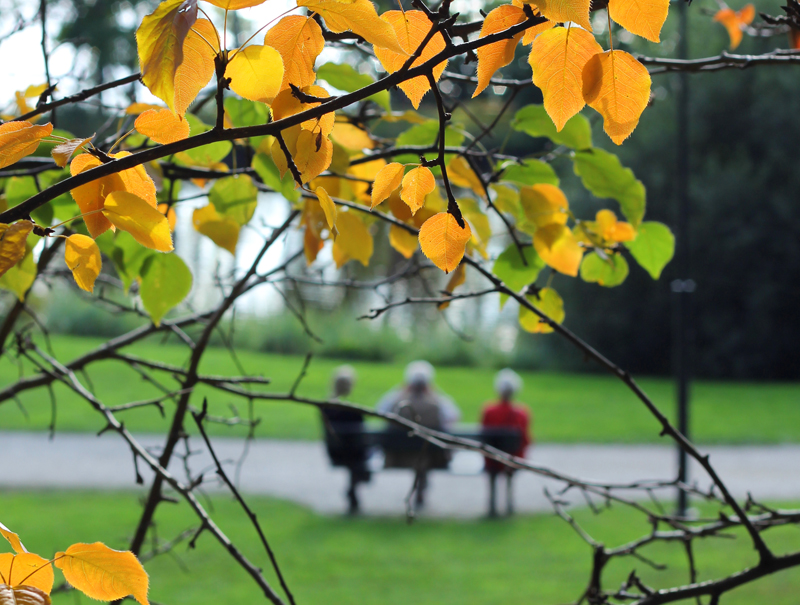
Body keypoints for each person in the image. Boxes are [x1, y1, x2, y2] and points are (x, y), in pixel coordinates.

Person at [377, 360, 461, 507]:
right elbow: (454, 415)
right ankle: (421, 488)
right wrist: (435, 392)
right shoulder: (436, 403)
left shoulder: (397, 402)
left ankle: (419, 487)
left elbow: (380, 410)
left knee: (417, 454)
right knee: (423, 453)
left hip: (398, 456)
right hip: (432, 457)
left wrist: (400, 390)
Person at [480, 369, 532, 517]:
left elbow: (484, 435)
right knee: (510, 459)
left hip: (492, 460)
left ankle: (492, 506)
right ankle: (509, 504)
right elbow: (526, 439)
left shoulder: (489, 410)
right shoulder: (522, 413)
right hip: (512, 459)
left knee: (493, 466)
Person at [320, 366, 370, 514]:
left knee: (356, 456)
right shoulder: (353, 409)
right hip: (356, 452)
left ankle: (352, 489)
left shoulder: (325, 407)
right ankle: (353, 488)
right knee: (361, 456)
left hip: (335, 450)